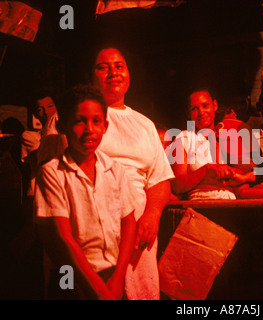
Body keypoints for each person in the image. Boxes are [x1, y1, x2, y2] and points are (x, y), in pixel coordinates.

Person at [34, 84, 137, 300]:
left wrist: (118, 278)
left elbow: (128, 223)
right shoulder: (52, 173)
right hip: (69, 272)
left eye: (96, 121)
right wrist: (97, 291)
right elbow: (64, 238)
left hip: (112, 273)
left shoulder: (115, 170)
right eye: (79, 121)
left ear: (105, 125)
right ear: (62, 126)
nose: (89, 129)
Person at [92, 46, 175, 300]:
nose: (113, 73)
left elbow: (160, 179)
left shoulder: (144, 124)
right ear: (90, 76)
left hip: (139, 232)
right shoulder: (72, 117)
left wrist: (151, 215)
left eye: (119, 66)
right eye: (103, 66)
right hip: (92, 230)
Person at [169, 88, 242, 200]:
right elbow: (177, 186)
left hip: (231, 203)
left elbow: (246, 176)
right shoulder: (184, 139)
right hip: (201, 205)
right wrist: (206, 170)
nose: (201, 112)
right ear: (188, 113)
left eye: (205, 105)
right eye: (194, 109)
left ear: (215, 105)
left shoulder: (226, 136)